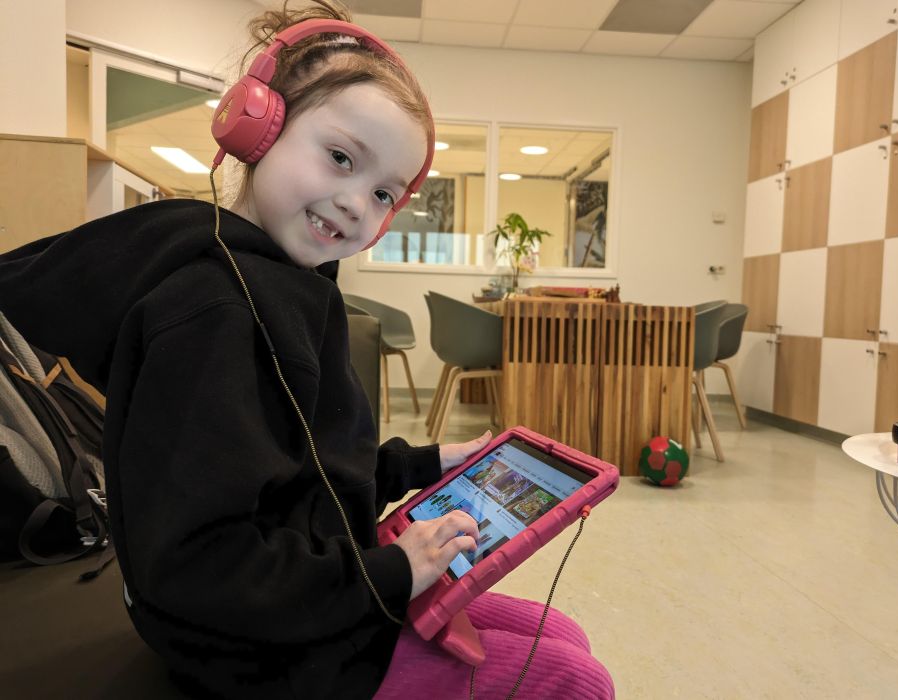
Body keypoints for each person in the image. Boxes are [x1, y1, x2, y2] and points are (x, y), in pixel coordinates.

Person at [0, 1, 614, 698]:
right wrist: (394, 571)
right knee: (575, 677)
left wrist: (420, 465)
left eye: (382, 192)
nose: (356, 203)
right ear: (257, 128)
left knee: (561, 633)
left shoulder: (281, 287)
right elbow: (199, 565)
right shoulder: (215, 313)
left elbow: (296, 469)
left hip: (309, 596)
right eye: (341, 158)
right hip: (258, 653)